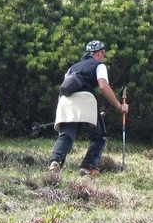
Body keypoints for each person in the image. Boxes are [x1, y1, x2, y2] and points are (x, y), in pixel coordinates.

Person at [47, 40, 128, 176]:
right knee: (99, 136)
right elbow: (103, 86)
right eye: (103, 53)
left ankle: (55, 161)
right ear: (100, 53)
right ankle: (88, 167)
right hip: (85, 100)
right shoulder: (99, 66)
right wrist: (120, 106)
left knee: (66, 135)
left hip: (65, 101)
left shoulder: (72, 68)